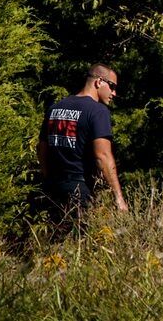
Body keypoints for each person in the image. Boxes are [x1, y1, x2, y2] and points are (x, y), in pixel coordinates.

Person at [37, 63, 128, 227]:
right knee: (78, 245)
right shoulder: (98, 111)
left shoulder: (55, 108)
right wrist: (118, 197)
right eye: (112, 86)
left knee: (57, 242)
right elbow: (103, 156)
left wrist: (48, 179)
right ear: (99, 82)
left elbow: (42, 149)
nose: (114, 93)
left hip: (54, 188)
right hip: (79, 189)